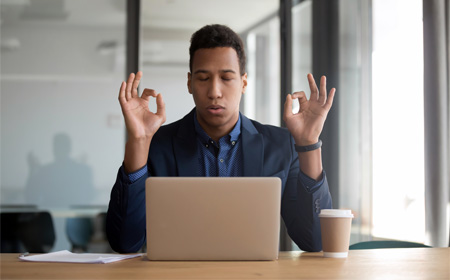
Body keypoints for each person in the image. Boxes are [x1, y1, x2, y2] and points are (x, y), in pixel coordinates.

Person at [106, 24, 335, 253]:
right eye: (203, 78)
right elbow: (126, 242)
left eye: (226, 78)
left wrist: (308, 144)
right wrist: (138, 140)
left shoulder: (281, 146)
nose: (214, 91)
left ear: (244, 83)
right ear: (189, 83)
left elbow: (314, 241)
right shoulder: (156, 145)